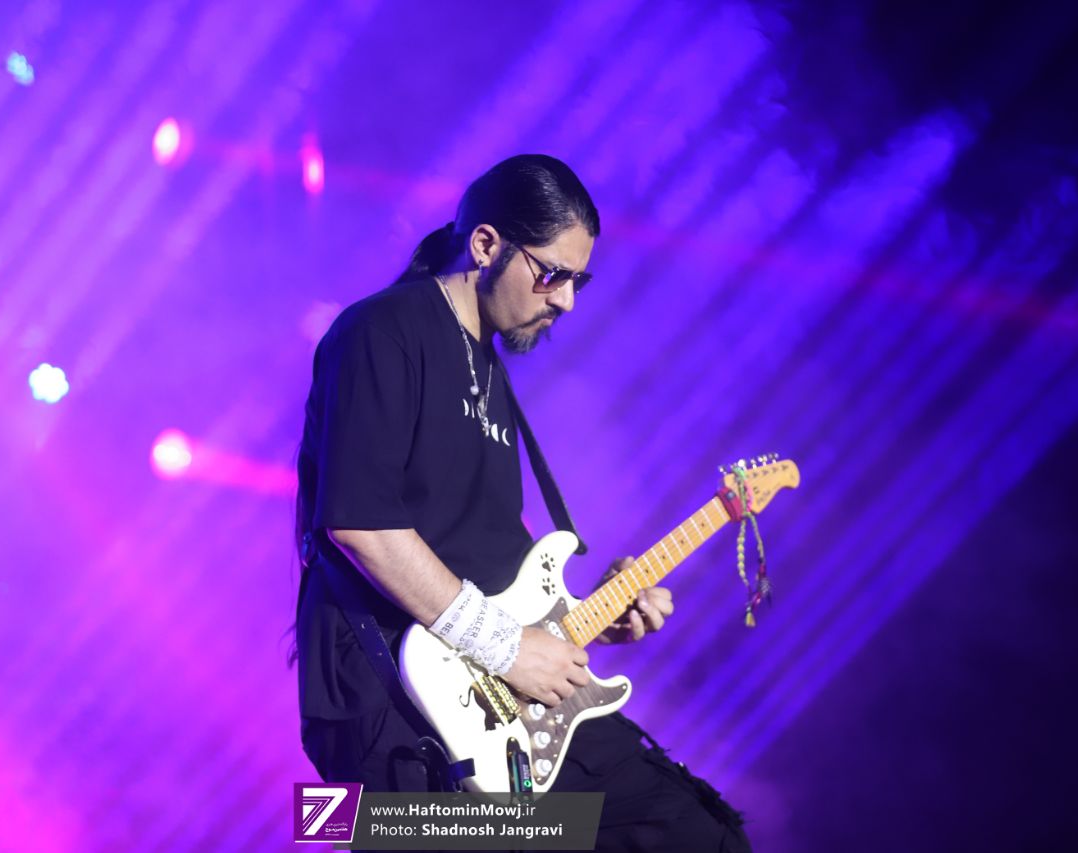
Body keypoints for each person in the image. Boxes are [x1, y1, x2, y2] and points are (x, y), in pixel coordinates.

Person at [294, 154, 751, 852]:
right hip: (397, 700)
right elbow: (361, 525)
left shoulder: (488, 369)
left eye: (578, 281)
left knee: (697, 834)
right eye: (552, 274)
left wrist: (583, 617)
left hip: (494, 695)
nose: (566, 301)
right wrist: (507, 647)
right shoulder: (383, 331)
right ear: (486, 244)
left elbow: (482, 558)